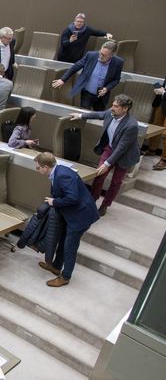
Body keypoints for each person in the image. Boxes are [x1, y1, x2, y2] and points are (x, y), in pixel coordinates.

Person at [34, 152, 99, 287]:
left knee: (70, 247)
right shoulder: (58, 172)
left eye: (37, 167)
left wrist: (54, 202)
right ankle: (57, 266)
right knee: (63, 240)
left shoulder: (62, 175)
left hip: (80, 217)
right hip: (71, 215)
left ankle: (65, 277)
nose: (37, 170)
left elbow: (72, 198)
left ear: (45, 167)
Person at [69, 94, 139, 217]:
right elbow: (98, 114)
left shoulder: (131, 125)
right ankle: (92, 201)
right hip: (110, 148)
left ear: (125, 108)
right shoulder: (110, 113)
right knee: (99, 175)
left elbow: (122, 148)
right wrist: (80, 115)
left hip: (125, 155)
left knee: (116, 182)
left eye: (116, 106)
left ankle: (105, 205)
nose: (112, 107)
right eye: (112, 105)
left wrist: (107, 164)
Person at [52, 41, 123, 111]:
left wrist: (107, 88)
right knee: (84, 113)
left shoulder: (118, 62)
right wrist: (63, 79)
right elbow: (76, 67)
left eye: (104, 55)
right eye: (100, 53)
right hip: (87, 93)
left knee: (98, 118)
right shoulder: (91, 55)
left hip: (102, 97)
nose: (100, 56)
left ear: (112, 55)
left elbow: (116, 79)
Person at [148, 78, 166, 171]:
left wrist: (163, 92)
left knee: (165, 134)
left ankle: (164, 160)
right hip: (162, 102)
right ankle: (152, 149)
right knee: (155, 127)